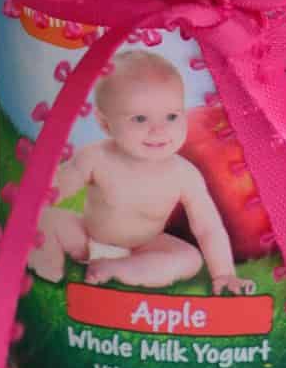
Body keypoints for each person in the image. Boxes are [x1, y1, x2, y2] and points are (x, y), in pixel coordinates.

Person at [27, 49, 254, 293]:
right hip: (86, 238)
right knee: (46, 218)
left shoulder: (184, 175)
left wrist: (223, 273)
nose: (158, 130)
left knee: (189, 260)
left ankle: (122, 269)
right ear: (105, 123)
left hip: (146, 247)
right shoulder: (95, 156)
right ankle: (46, 261)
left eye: (171, 116)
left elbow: (208, 227)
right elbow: (55, 188)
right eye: (139, 119)